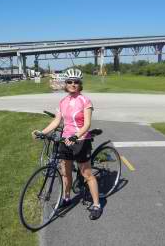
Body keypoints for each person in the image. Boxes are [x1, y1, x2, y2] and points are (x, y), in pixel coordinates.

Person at [32, 69, 102, 220]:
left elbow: (87, 124)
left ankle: (97, 204)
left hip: (80, 140)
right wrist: (43, 132)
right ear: (66, 84)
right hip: (65, 141)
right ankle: (66, 198)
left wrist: (76, 136)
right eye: (70, 82)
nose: (73, 84)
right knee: (65, 173)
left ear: (80, 84)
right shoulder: (63, 102)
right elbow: (57, 121)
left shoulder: (85, 101)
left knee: (87, 174)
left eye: (76, 82)